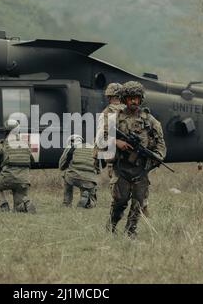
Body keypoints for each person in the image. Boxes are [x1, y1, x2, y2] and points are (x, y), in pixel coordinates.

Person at [105, 81, 166, 239]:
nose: (134, 101)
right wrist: (116, 142)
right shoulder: (115, 118)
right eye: (131, 98)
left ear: (141, 99)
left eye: (137, 98)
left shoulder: (150, 120)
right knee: (120, 201)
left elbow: (160, 145)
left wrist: (154, 160)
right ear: (125, 99)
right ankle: (112, 225)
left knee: (138, 203)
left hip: (141, 170)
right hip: (122, 168)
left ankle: (131, 231)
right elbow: (101, 138)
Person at [0, 119, 36, 213]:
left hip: (8, 176)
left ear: (5, 131)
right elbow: (31, 160)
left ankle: (4, 206)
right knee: (18, 209)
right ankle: (26, 203)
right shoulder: (25, 144)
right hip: (24, 179)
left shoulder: (1, 144)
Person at [59, 134, 99, 208]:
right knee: (91, 197)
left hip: (73, 177)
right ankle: (89, 202)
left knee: (66, 174)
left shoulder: (70, 147)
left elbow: (61, 166)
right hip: (89, 179)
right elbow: (98, 168)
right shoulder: (92, 148)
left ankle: (67, 203)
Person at [95, 82, 125, 176]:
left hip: (115, 158)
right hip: (130, 157)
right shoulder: (130, 111)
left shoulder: (106, 113)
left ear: (108, 97)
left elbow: (101, 139)